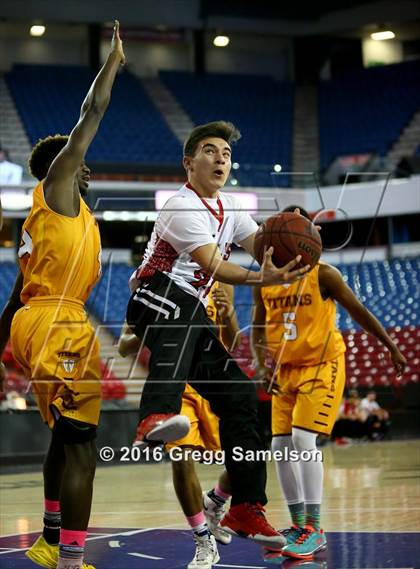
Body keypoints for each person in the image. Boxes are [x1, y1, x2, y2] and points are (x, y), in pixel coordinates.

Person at [124, 121, 311, 549]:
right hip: (154, 296)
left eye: (225, 154)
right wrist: (263, 278)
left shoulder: (231, 208)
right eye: (210, 151)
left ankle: (246, 505)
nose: (220, 159)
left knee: (242, 397)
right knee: (187, 309)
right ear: (189, 163)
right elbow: (214, 265)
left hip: (188, 315)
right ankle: (154, 415)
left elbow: (263, 241)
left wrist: (297, 244)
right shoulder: (180, 204)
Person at [0, 21, 125, 569]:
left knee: (63, 438)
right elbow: (90, 116)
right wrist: (114, 62)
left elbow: (14, 299)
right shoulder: (56, 191)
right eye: (78, 162)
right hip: (55, 323)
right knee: (83, 449)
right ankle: (71, 559)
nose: (86, 167)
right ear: (62, 167)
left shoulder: (67, 221)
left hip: (40, 319)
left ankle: (52, 538)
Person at [251, 206, 406, 562]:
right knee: (280, 447)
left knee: (304, 440)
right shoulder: (264, 280)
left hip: (322, 365)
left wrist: (391, 346)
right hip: (286, 371)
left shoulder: (325, 275)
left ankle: (316, 528)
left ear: (305, 239)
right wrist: (263, 364)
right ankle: (298, 524)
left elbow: (359, 312)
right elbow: (258, 327)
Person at [119, 282, 238, 568]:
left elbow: (231, 340)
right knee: (181, 459)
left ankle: (216, 501)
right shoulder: (152, 286)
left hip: (211, 382)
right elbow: (124, 347)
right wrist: (154, 326)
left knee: (245, 460)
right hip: (176, 386)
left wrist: (229, 312)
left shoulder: (220, 282)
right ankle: (202, 541)